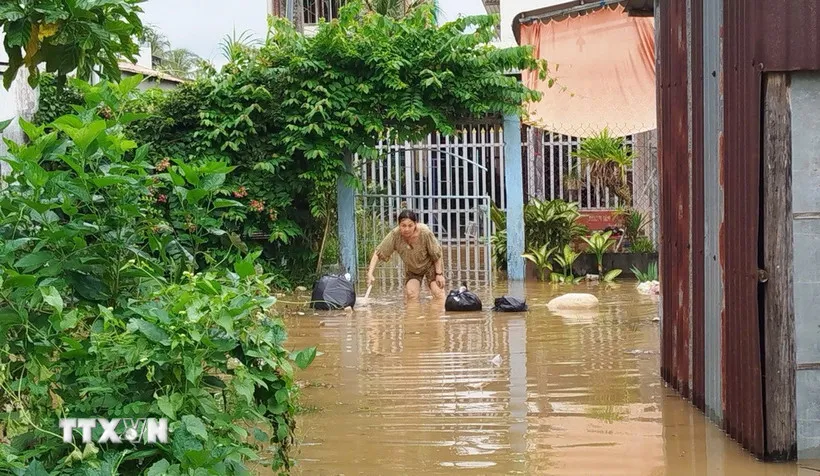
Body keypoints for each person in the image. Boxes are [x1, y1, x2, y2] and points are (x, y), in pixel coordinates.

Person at [367, 210, 446, 300]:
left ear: (415, 224)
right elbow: (378, 252)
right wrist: (370, 273)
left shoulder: (425, 233)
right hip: (413, 269)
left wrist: (439, 274)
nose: (407, 229)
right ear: (399, 225)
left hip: (430, 265)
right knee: (411, 294)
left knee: (438, 293)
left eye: (410, 225)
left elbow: (436, 254)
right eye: (403, 225)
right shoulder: (395, 235)